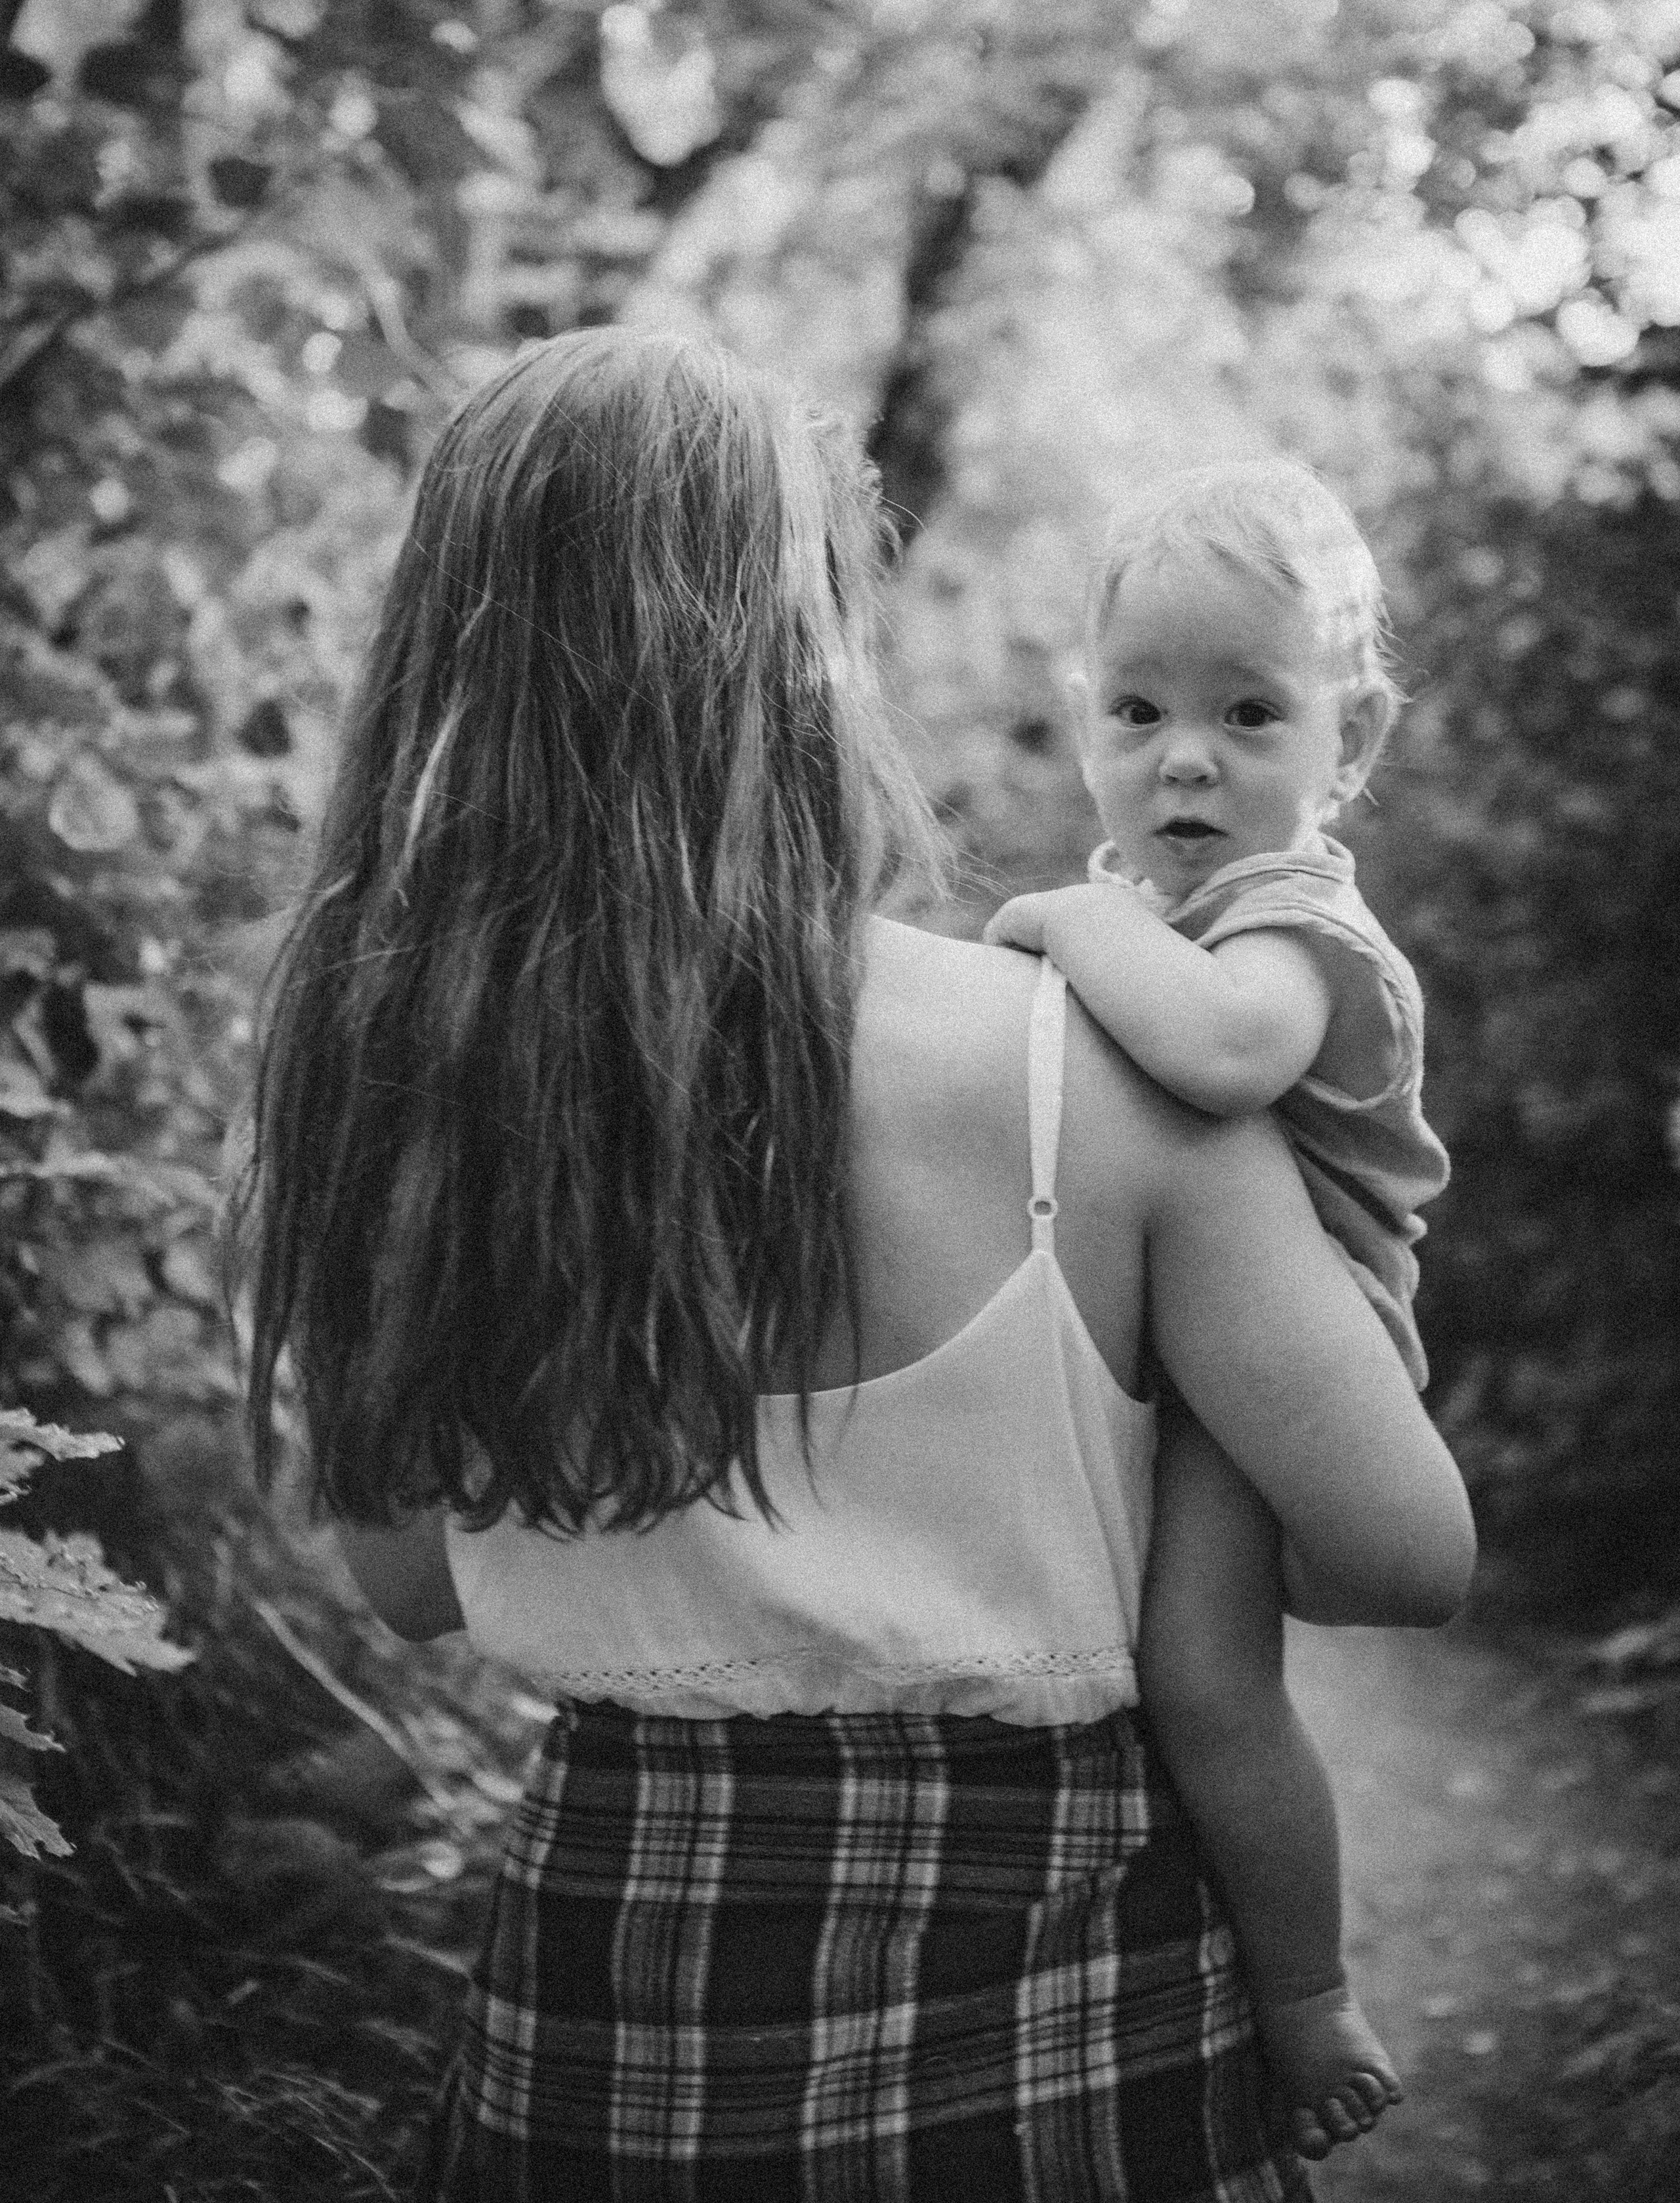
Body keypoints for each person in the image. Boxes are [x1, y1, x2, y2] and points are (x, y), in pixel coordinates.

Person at [236, 335, 1475, 2201]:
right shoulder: (1092, 1066)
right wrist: (1171, 1454)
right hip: (1074, 2013)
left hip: (617, 2017)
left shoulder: (393, 1097)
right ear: (807, 649)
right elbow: (1405, 1553)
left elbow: (415, 1589)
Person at [983, 459, 1450, 2156]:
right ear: (1085, 718)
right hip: (1185, 1347)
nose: (1186, 757)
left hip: (1301, 1359)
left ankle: (1310, 1993)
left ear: (1352, 737)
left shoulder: (1291, 921)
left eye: (1251, 713)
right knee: (1131, 1658)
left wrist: (1056, 922)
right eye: (1140, 710)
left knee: (1206, 1680)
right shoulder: (1169, 908)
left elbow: (1228, 1052)